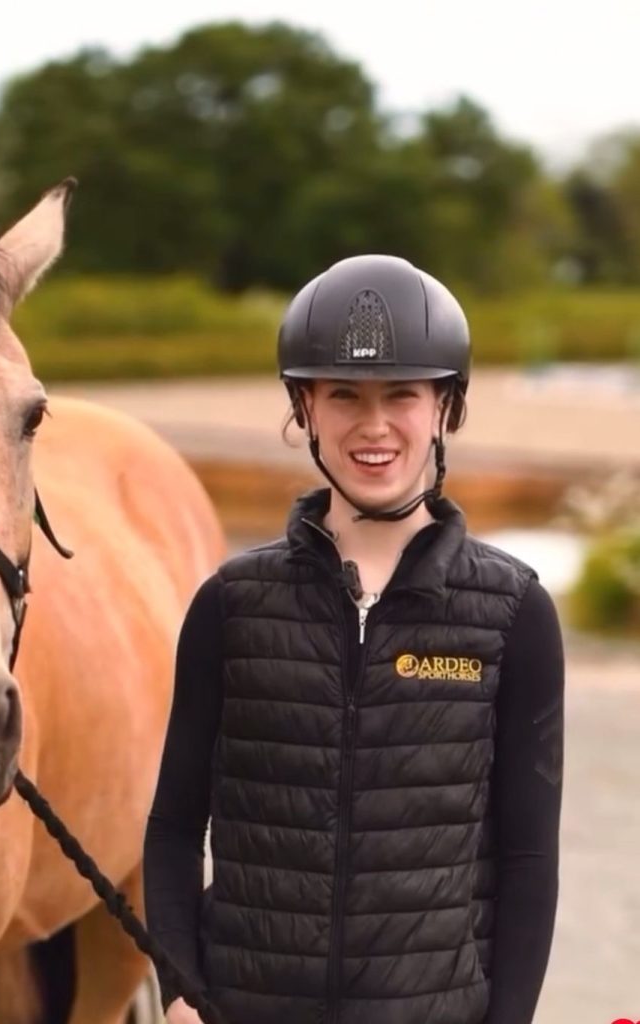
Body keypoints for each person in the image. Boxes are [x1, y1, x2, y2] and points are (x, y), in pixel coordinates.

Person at [143, 255, 564, 1024]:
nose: (373, 426)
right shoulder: (229, 607)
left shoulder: (514, 613)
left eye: (401, 394)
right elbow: (173, 825)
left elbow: (528, 859)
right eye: (343, 396)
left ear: (444, 407)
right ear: (303, 407)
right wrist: (179, 993)